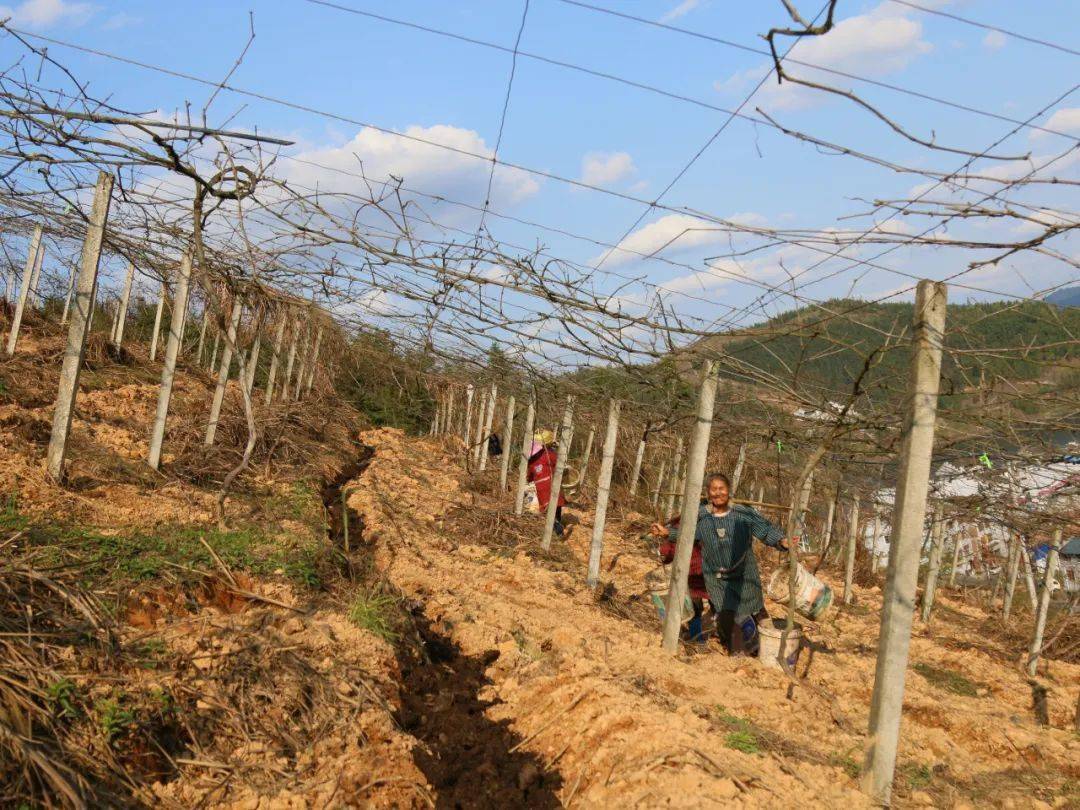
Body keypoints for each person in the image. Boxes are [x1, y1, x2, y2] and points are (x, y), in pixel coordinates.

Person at [651, 472, 789, 655]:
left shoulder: (744, 514)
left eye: (721, 488)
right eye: (713, 489)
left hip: (744, 574)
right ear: (708, 493)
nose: (718, 493)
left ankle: (766, 648)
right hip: (717, 579)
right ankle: (737, 653)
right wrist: (667, 533)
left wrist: (782, 541)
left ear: (729, 490)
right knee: (728, 616)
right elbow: (686, 534)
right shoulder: (700, 517)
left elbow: (765, 530)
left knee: (753, 607)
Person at [657, 526, 711, 642]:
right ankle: (697, 639)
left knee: (694, 610)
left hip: (692, 578)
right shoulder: (701, 530)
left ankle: (697, 638)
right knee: (696, 609)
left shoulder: (675, 535)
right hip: (698, 577)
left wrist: (662, 552)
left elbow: (666, 556)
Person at [526, 430, 567, 536]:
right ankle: (558, 528)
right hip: (553, 485)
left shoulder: (531, 461)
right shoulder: (551, 455)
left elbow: (529, 478)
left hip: (541, 488)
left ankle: (556, 527)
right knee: (556, 507)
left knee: (548, 510)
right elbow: (560, 467)